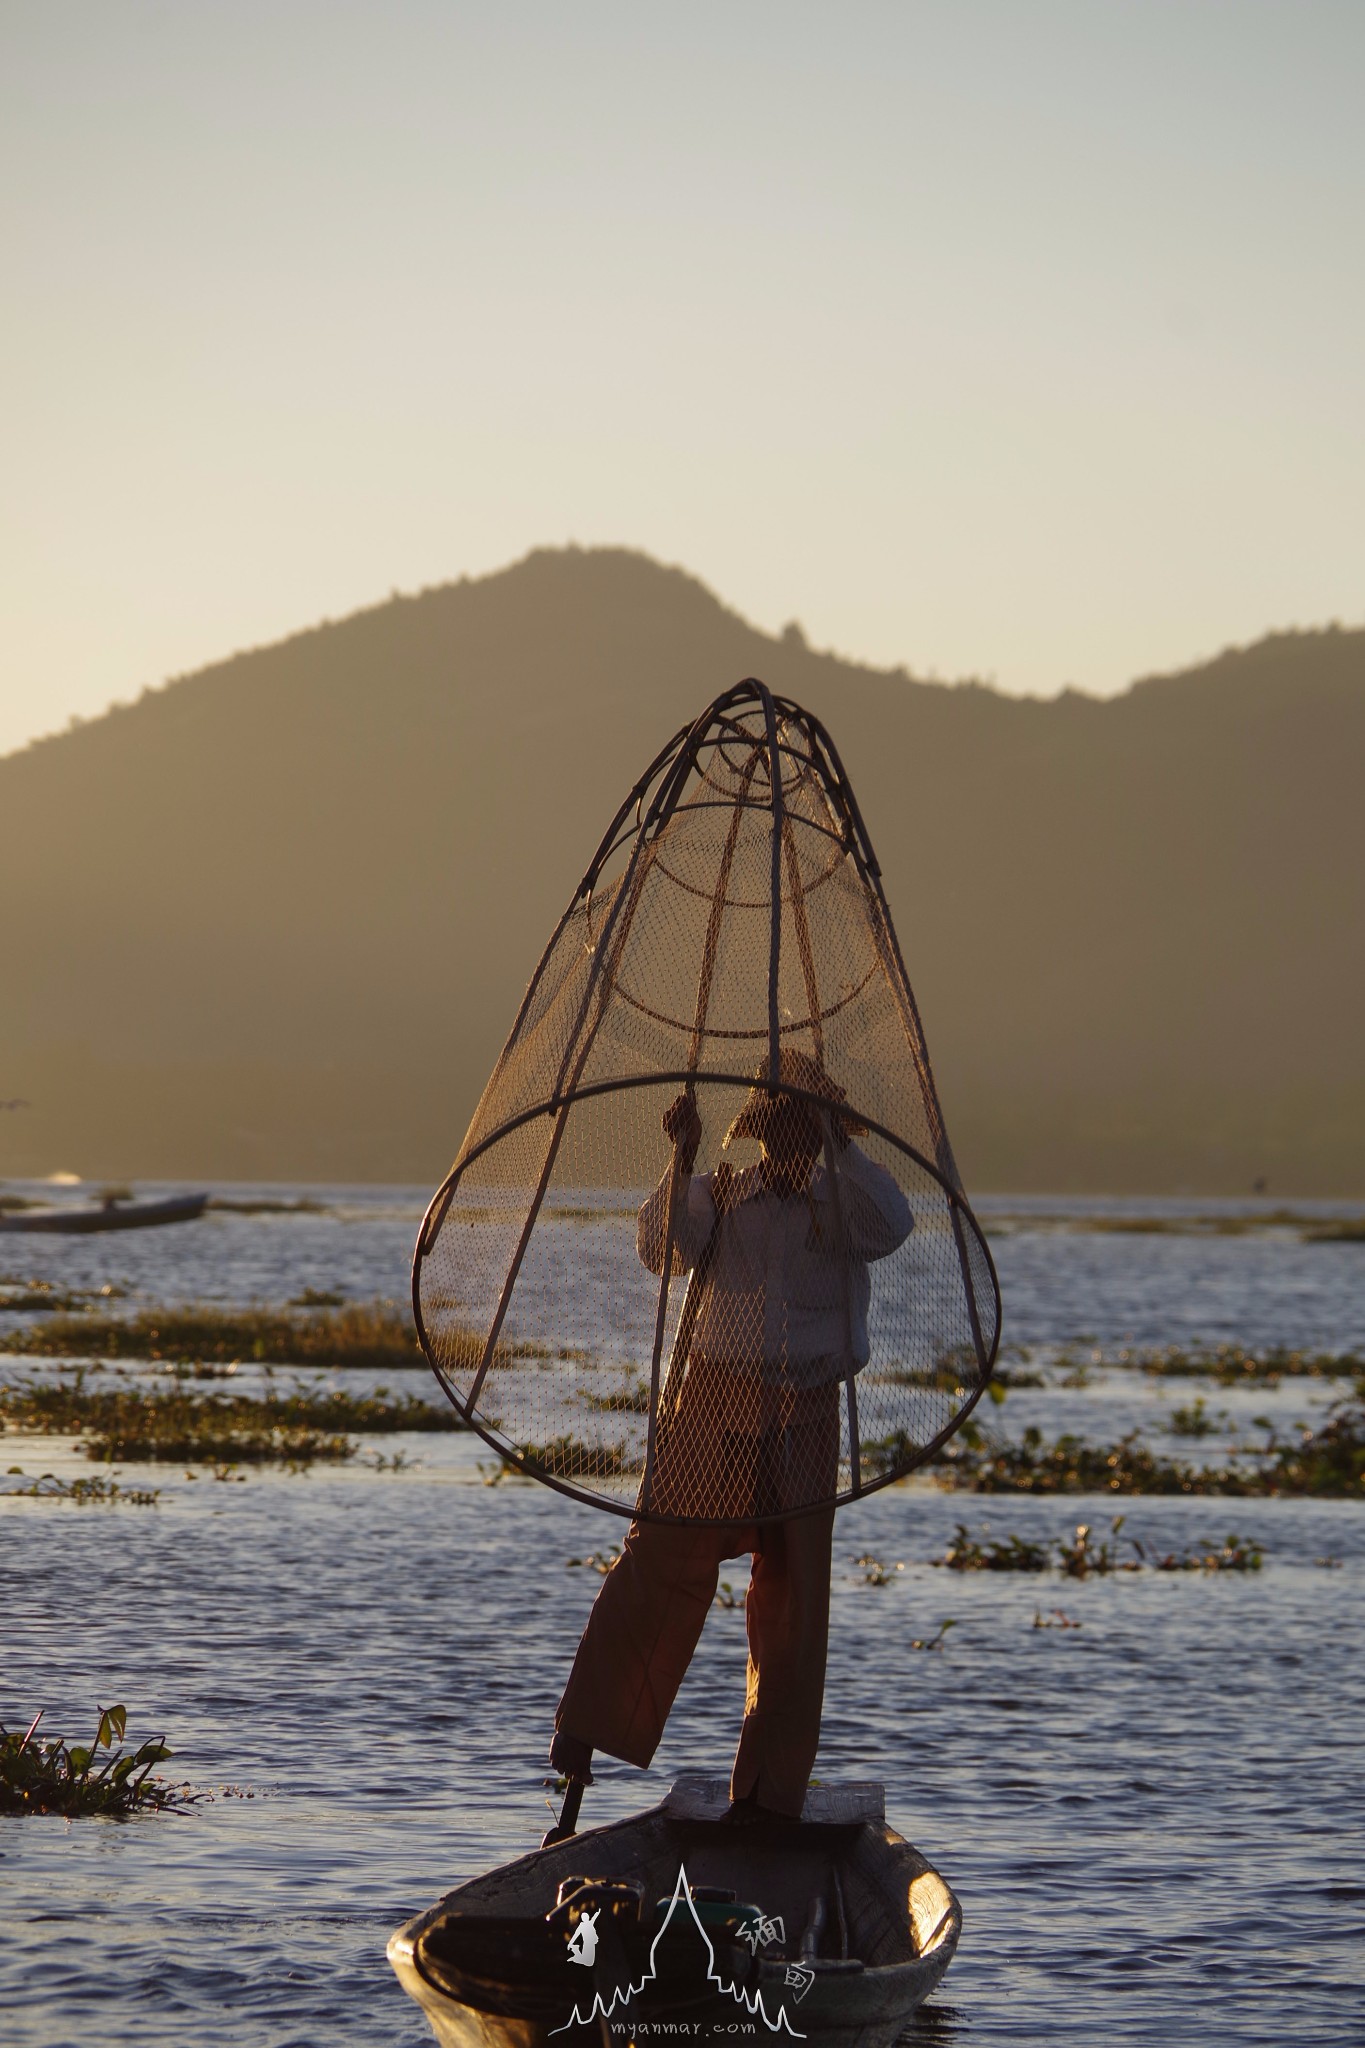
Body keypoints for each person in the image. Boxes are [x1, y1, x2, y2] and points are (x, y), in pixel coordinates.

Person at [550, 1050, 912, 1819]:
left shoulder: (845, 1203)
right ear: (756, 1133)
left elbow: (894, 1224)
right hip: (712, 1398)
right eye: (779, 1125)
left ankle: (766, 1793)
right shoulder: (721, 1194)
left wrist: (839, 1137)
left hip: (806, 1406)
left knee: (791, 1600)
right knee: (661, 1558)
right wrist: (679, 1156)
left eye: (804, 1127)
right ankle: (586, 1732)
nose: (791, 1142)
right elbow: (661, 1249)